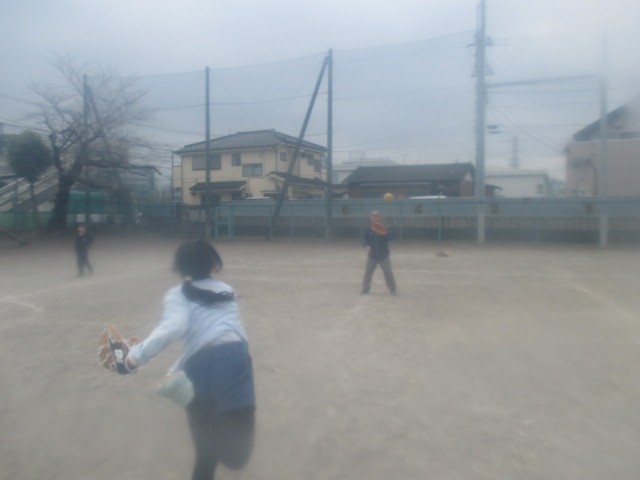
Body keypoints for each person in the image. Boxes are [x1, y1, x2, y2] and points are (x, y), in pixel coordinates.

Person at [125, 239, 256, 480]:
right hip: (234, 362)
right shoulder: (225, 289)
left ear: (180, 268)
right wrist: (243, 350)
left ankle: (190, 398)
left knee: (206, 454)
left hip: (200, 368)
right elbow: (230, 327)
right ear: (213, 264)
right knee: (237, 457)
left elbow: (179, 329)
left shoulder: (179, 294)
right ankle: (191, 400)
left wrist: (134, 357)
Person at [361, 210, 397, 295]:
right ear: (371, 217)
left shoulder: (385, 227)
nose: (376, 218)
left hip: (384, 255)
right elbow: (364, 239)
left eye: (377, 216)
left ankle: (392, 289)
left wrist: (385, 233)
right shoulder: (368, 228)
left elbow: (390, 238)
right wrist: (366, 246)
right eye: (374, 216)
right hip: (372, 255)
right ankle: (365, 288)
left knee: (388, 272)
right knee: (368, 272)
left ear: (381, 217)